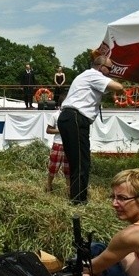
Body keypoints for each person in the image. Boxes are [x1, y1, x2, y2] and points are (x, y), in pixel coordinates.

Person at [57, 55, 123, 204]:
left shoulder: (85, 75)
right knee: (82, 162)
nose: (110, 72)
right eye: (109, 68)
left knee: (75, 160)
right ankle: (78, 201)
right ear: (101, 67)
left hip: (67, 117)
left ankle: (76, 197)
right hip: (76, 118)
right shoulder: (95, 75)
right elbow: (119, 87)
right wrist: (120, 86)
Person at [45, 110, 70, 193]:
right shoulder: (55, 115)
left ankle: (69, 190)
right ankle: (48, 186)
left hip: (69, 144)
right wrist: (61, 131)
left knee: (68, 169)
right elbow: (48, 130)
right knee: (53, 167)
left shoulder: (72, 115)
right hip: (58, 144)